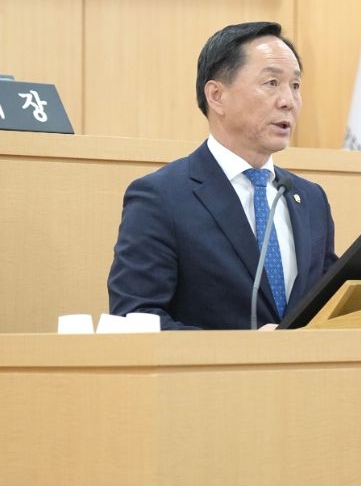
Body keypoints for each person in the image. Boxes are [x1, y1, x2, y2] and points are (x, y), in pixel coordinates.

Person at [108, 22, 337, 330]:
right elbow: (133, 319)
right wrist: (242, 348)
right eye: (271, 83)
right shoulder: (161, 197)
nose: (288, 101)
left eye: (295, 85)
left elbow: (329, 307)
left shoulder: (310, 199)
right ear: (216, 96)